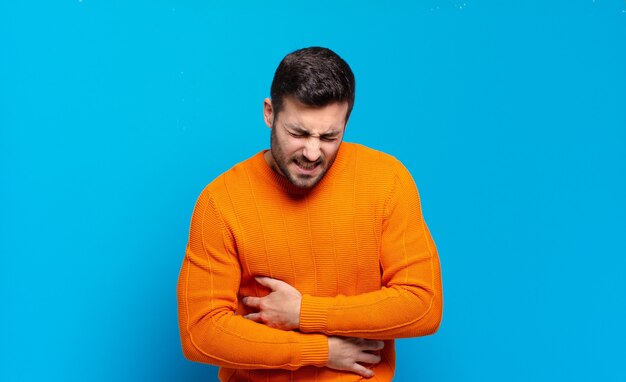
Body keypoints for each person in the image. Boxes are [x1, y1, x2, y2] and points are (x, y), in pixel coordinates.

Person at [177, 47, 443, 381]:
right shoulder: (221, 201)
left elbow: (423, 305)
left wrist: (304, 313)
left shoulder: (386, 181)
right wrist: (321, 352)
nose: (312, 152)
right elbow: (200, 332)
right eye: (299, 133)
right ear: (269, 113)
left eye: (330, 136)